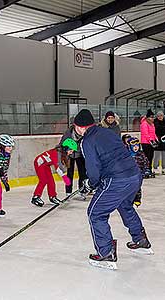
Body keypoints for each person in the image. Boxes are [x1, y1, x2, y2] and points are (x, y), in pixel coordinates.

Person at [73, 109, 153, 270]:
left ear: (80, 127)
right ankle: (140, 240)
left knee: (96, 213)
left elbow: (93, 167)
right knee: (125, 206)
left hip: (117, 179)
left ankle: (106, 252)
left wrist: (91, 183)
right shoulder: (107, 132)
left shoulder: (86, 141)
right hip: (134, 175)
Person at [30, 138, 76, 207]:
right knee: (43, 180)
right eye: (71, 150)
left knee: (51, 181)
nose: (72, 152)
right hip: (39, 163)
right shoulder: (56, 154)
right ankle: (36, 197)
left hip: (46, 165)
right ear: (66, 148)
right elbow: (57, 168)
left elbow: (61, 166)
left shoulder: (61, 153)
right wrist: (64, 177)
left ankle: (52, 197)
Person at [60, 125, 88, 200]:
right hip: (70, 155)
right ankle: (68, 191)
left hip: (80, 154)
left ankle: (82, 190)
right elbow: (63, 143)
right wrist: (66, 151)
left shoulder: (84, 132)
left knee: (82, 173)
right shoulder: (68, 133)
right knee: (69, 174)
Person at [124, 137, 149, 207]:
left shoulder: (141, 154)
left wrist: (146, 170)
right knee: (128, 187)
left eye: (137, 146)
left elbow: (146, 162)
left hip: (139, 174)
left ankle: (137, 199)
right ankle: (127, 198)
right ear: (129, 146)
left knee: (137, 187)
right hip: (129, 175)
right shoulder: (126, 155)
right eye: (134, 146)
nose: (136, 148)